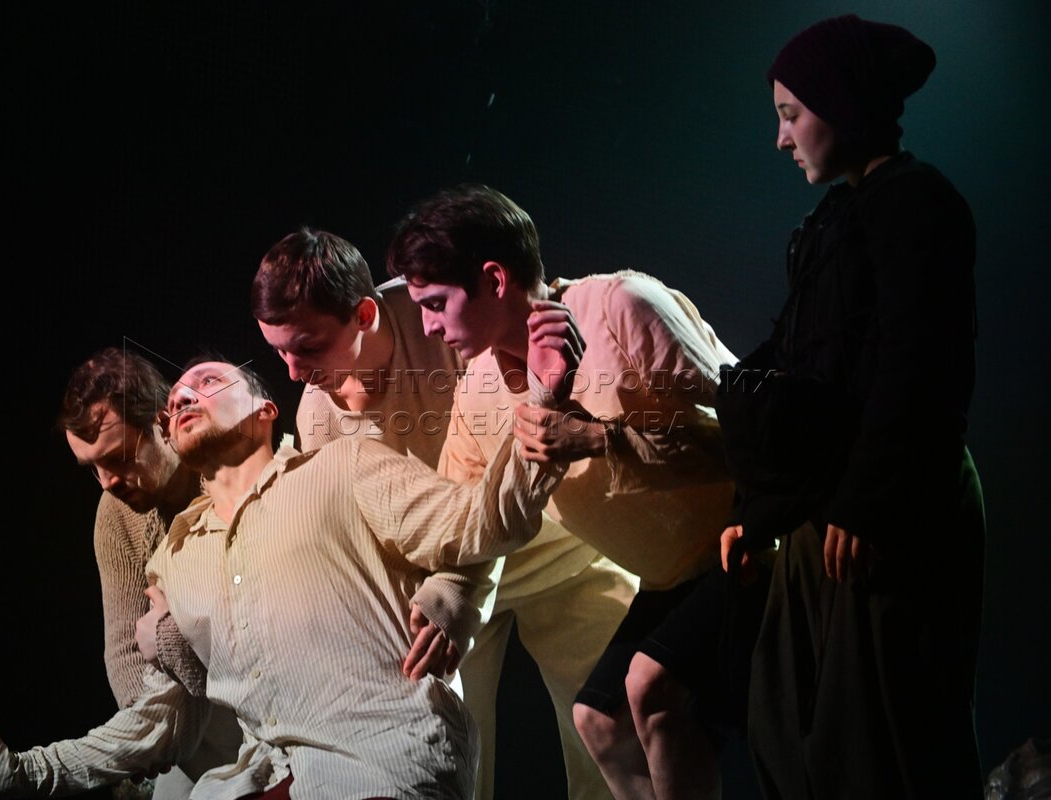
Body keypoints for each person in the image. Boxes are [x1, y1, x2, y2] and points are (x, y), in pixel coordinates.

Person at [0, 335, 576, 799]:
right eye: (179, 393)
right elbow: (159, 713)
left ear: (266, 413)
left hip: (378, 762)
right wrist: (21, 771)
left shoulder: (342, 467)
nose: (186, 394)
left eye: (209, 383)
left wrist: (545, 398)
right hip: (257, 772)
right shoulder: (179, 558)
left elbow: (475, 522)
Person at [387, 184, 737, 800]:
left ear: (494, 279)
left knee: (652, 700)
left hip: (748, 546)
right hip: (669, 579)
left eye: (436, 303)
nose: (428, 326)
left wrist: (598, 438)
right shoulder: (478, 390)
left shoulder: (619, 307)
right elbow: (467, 513)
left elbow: (743, 433)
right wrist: (448, 594)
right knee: (600, 721)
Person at [717, 15, 985, 798]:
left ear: (842, 104)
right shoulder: (835, 219)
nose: (781, 139)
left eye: (791, 114)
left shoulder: (916, 203)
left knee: (877, 738)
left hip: (893, 505)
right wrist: (757, 511)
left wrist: (870, 501)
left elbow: (920, 366)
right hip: (830, 507)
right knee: (786, 718)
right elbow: (802, 366)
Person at [251, 229, 489, 678]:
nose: (293, 372)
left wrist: (462, 582)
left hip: (542, 543)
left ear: (363, 314)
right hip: (440, 589)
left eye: (307, 347)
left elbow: (507, 443)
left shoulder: (438, 317)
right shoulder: (317, 421)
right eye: (279, 352)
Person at [59, 348, 241, 800]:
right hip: (182, 709)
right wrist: (150, 733)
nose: (107, 481)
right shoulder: (114, 514)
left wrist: (169, 636)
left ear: (163, 423)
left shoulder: (226, 475)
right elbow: (124, 647)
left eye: (119, 458)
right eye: (93, 468)